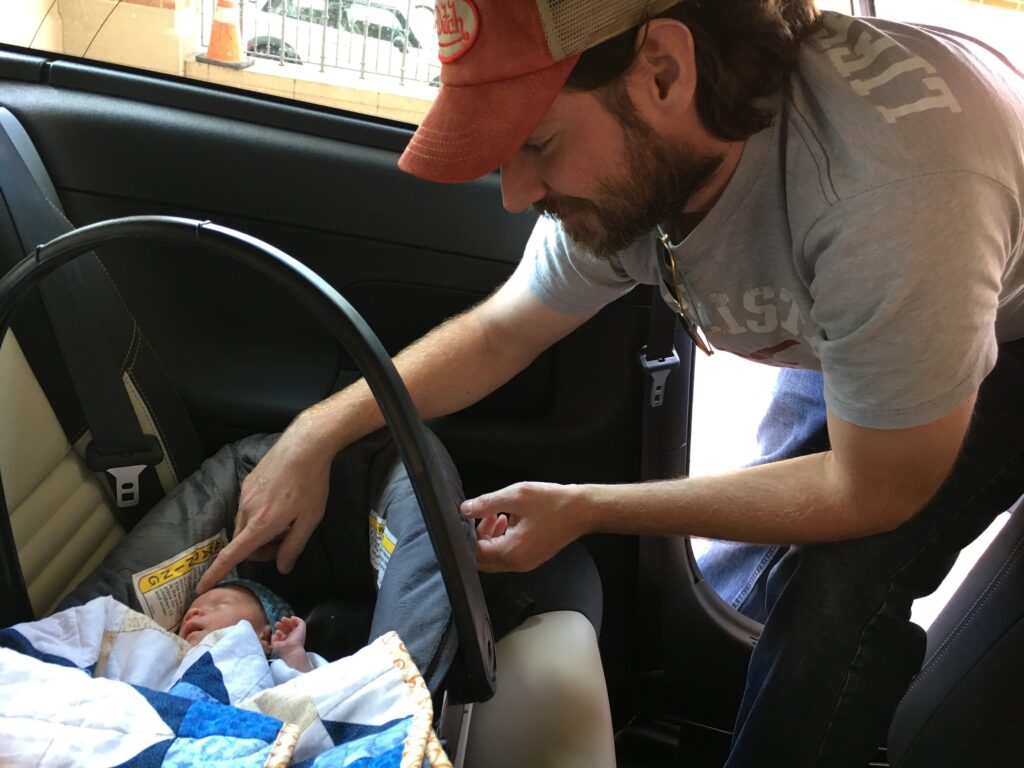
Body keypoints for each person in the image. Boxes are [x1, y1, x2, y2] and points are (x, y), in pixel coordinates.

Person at [197, 1, 1024, 766]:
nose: (518, 193)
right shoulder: (652, 158)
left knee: (835, 601)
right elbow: (502, 331)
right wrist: (320, 430)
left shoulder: (892, 195)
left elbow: (873, 489)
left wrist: (588, 506)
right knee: (748, 571)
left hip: (994, 325)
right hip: (868, 314)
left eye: (540, 144)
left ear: (663, 70)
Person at [181, 577, 324, 679]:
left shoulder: (266, 671)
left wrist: (292, 653)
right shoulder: (172, 670)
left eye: (217, 605)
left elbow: (309, 696)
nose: (192, 612)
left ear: (266, 638)